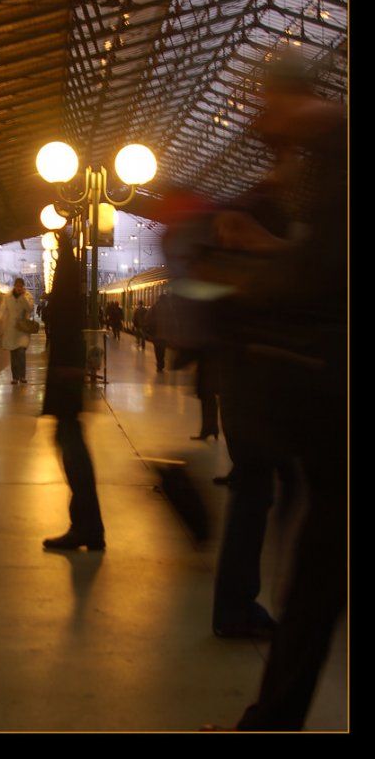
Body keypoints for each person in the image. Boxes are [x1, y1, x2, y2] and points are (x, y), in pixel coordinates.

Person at [201, 59, 347, 729]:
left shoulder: (337, 146)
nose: (257, 121)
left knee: (319, 573)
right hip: (325, 409)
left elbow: (327, 270)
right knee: (318, 575)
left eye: (262, 103)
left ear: (291, 97)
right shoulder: (322, 156)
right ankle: (272, 719)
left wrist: (254, 267)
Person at [42, 232, 105, 551]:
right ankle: (86, 525)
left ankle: (87, 527)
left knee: (72, 450)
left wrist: (69, 368)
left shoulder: (67, 272)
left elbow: (67, 323)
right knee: (68, 443)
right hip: (66, 371)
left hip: (65, 373)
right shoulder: (70, 270)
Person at [0, 277, 34, 384]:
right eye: (17, 286)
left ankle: (22, 376)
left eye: (20, 286)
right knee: (14, 354)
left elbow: (30, 309)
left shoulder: (27, 296)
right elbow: (1, 311)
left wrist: (22, 297)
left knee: (21, 352)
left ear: (23, 286)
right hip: (11, 329)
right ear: (15, 285)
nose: (18, 288)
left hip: (23, 329)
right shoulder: (7, 297)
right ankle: (15, 377)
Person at [144, 292, 170, 372]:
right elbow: (173, 320)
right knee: (163, 349)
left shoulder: (154, 307)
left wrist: (147, 330)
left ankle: (159, 363)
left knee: (157, 349)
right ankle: (161, 363)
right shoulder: (169, 308)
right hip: (165, 334)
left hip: (155, 334)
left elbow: (147, 319)